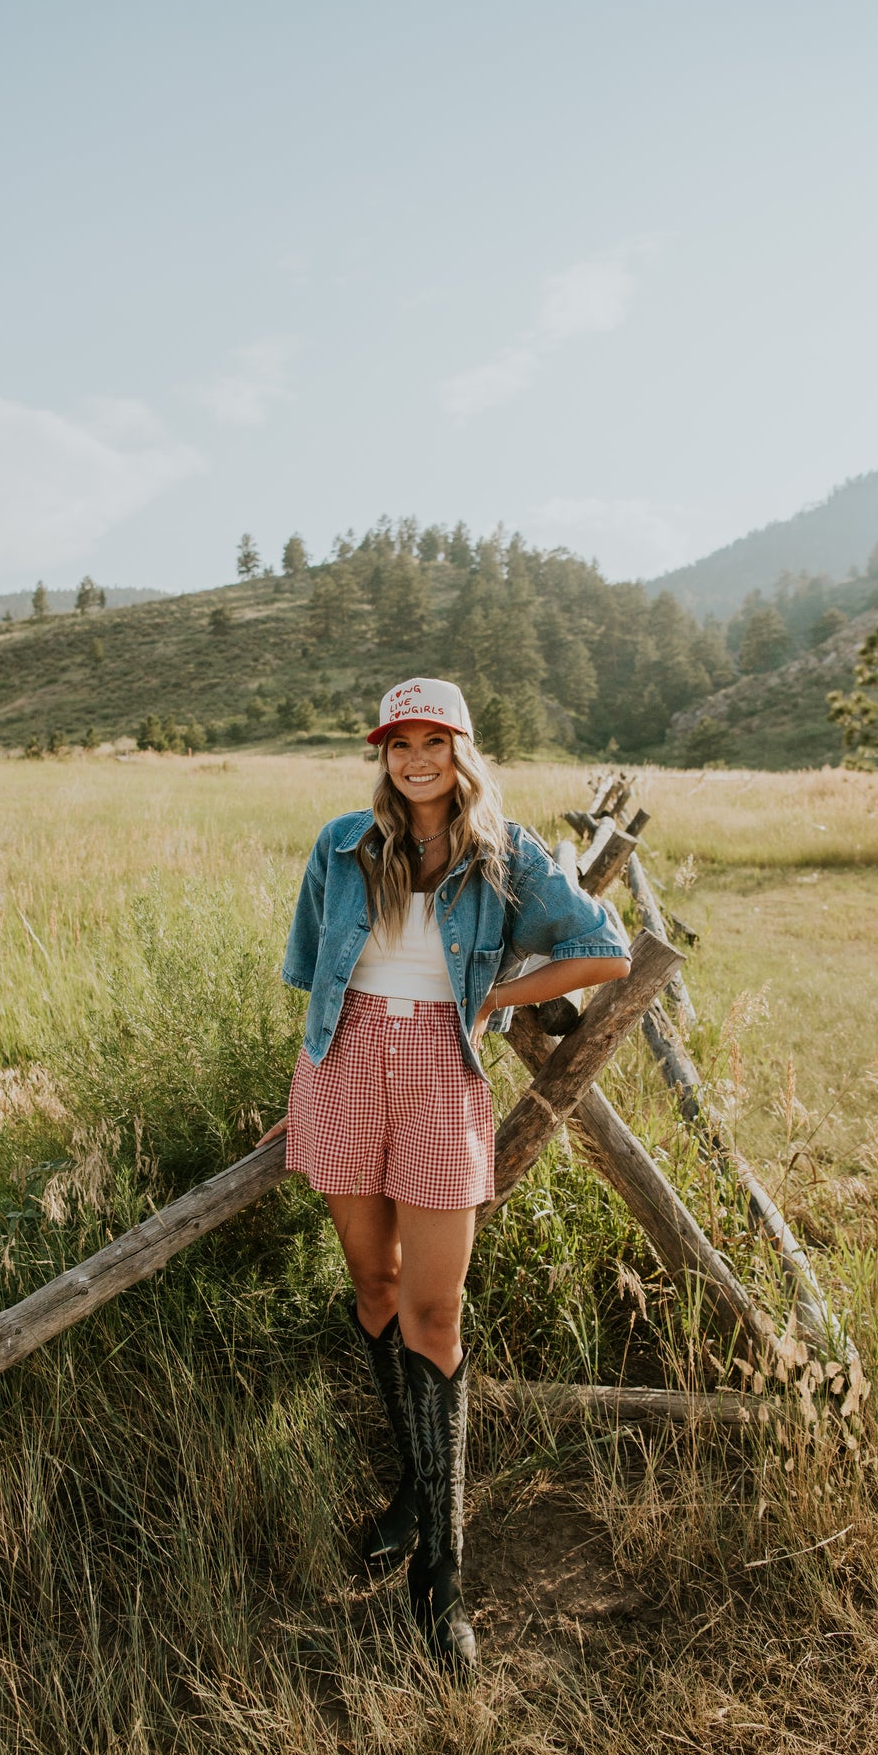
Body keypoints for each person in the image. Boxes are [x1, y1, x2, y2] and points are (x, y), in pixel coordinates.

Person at [260, 678, 631, 1671]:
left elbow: (606, 950)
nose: (414, 758)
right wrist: (297, 1085)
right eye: (398, 742)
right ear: (383, 753)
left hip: (439, 1076)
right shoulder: (344, 844)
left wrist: (495, 995)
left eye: (433, 740)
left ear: (462, 750)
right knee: (374, 1287)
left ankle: (444, 1575)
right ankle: (413, 1491)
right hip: (340, 1070)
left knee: (436, 1312)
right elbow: (310, 972)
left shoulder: (508, 857)